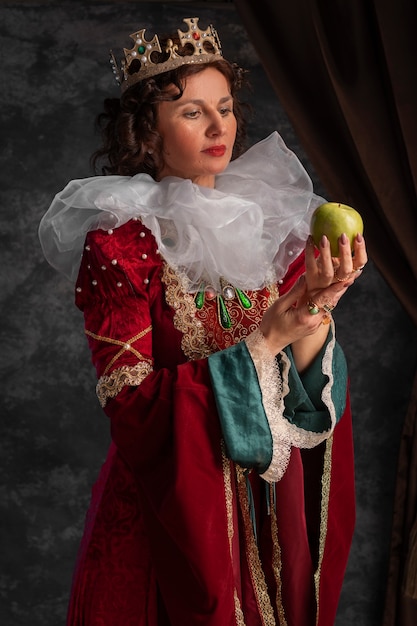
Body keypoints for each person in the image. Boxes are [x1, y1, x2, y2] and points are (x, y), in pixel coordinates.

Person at [39, 16, 367, 626]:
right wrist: (264, 337)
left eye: (225, 106)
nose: (221, 127)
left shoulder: (269, 226)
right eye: (193, 113)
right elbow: (130, 404)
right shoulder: (121, 243)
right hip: (172, 512)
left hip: (263, 505)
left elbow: (298, 388)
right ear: (147, 132)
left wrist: (316, 307)